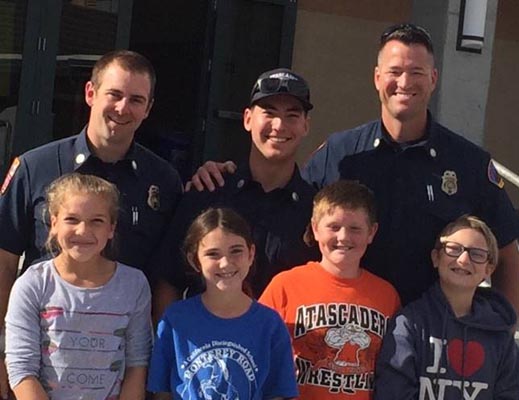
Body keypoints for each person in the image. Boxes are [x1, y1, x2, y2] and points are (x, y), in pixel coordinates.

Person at [189, 23, 519, 313]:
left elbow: (506, 251)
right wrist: (229, 173)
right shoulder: (341, 152)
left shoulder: (468, 163)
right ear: (377, 78)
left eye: (416, 72)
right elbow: (286, 199)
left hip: (431, 344)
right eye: (394, 71)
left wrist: (501, 329)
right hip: (344, 340)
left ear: (433, 79)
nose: (404, 82)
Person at [0, 49, 182, 399]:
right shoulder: (34, 168)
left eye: (136, 99)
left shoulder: (164, 180)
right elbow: (4, 264)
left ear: (148, 108)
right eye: (114, 94)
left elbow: (165, 280)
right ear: (90, 93)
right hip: (37, 374)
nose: (122, 107)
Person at [154, 68, 318, 300]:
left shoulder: (316, 213)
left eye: (292, 115)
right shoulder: (209, 192)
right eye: (269, 113)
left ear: (305, 126)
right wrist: (168, 336)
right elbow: (169, 281)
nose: (279, 125)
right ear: (248, 119)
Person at [5, 173, 152, 400]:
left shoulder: (134, 285)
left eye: (97, 221)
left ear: (111, 228)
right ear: (53, 223)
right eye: (72, 219)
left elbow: (137, 363)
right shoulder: (32, 284)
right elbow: (21, 368)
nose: (83, 231)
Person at [260, 181, 400, 399]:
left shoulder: (386, 295)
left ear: (371, 232)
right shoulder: (285, 285)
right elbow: (257, 349)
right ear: (315, 229)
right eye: (334, 227)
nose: (343, 237)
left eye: (355, 229)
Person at [147, 207, 298, 400]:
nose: (225, 263)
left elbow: (278, 393)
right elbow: (162, 392)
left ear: (251, 254)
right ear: (195, 261)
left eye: (236, 251)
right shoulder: (175, 321)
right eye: (213, 254)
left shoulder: (270, 323)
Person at [374, 215, 519, 400]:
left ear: (488, 270)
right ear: (436, 258)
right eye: (453, 249)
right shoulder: (410, 324)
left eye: (477, 254)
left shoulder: (500, 335)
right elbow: (393, 392)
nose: (464, 260)